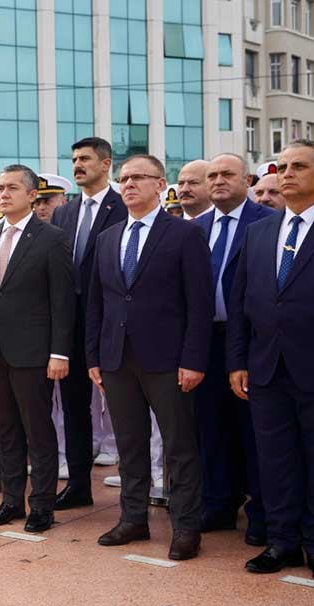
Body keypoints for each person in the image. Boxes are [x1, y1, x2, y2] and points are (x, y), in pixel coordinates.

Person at [228, 139, 314, 586]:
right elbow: (242, 300)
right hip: (265, 369)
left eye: (299, 166)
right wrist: (237, 360)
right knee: (274, 461)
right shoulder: (259, 231)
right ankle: (281, 542)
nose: (288, 173)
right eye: (282, 167)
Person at [86, 154, 212, 561]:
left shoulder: (183, 234)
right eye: (124, 178)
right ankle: (133, 518)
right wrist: (94, 356)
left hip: (169, 359)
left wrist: (194, 359)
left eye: (139, 177)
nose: (129, 184)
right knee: (129, 443)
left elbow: (199, 304)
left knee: (179, 445)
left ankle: (186, 526)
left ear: (161, 185)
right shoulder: (108, 238)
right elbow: (97, 304)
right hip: (117, 359)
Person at [0, 165, 74, 533]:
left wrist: (59, 352)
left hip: (35, 352)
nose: (4, 194)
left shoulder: (51, 238)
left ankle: (42, 506)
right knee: (5, 429)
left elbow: (63, 301)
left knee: (37, 429)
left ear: (32, 195)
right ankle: (11, 500)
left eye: (13, 188)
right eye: (1, 187)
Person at [195, 154, 274, 543]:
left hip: (250, 341)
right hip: (205, 340)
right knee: (210, 426)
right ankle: (218, 505)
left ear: (247, 179)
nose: (219, 181)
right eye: (212, 176)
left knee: (253, 430)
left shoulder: (267, 223)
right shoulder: (197, 227)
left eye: (227, 174)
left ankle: (261, 512)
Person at [50, 137, 127, 510]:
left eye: (85, 159)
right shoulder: (65, 212)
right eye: (74, 159)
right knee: (74, 408)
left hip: (112, 325)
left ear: (106, 163)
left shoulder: (123, 206)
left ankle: (137, 488)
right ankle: (79, 485)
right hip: (71, 328)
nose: (78, 165)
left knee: (124, 408)